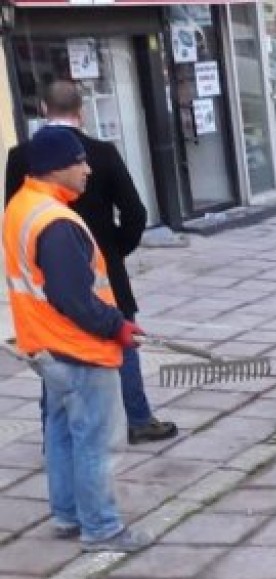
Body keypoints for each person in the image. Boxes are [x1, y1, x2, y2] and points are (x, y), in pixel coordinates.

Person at [3, 126, 152, 552]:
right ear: (55, 169)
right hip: (78, 348)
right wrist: (116, 325)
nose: (88, 169)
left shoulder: (22, 206)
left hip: (44, 345)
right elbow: (72, 297)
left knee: (63, 435)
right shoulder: (56, 223)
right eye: (79, 161)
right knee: (97, 440)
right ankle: (102, 528)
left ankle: (68, 515)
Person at [6, 81, 177, 444]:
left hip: (42, 275)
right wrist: (115, 250)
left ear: (41, 108)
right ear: (81, 112)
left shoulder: (20, 157)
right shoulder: (101, 152)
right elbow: (134, 212)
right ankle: (139, 419)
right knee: (121, 336)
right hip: (102, 267)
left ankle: (56, 427)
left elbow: (13, 214)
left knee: (55, 354)